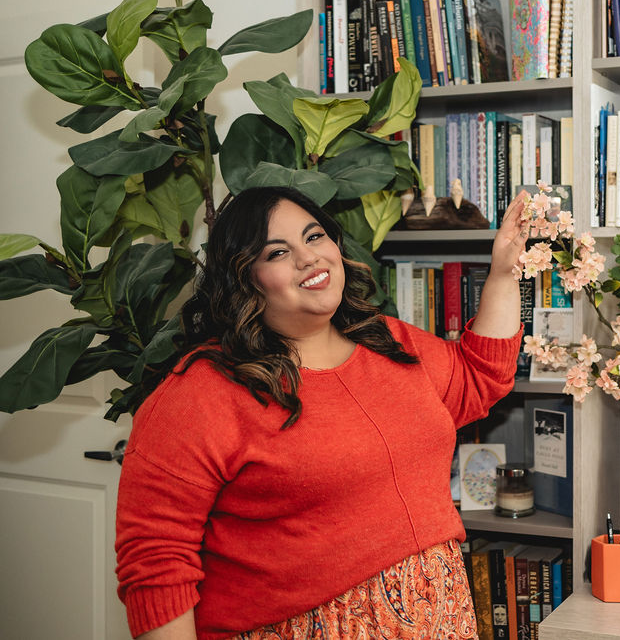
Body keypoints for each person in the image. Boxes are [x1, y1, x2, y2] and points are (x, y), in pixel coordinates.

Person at [115, 185, 528, 639]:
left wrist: (504, 273)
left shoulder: (387, 341)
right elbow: (156, 563)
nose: (308, 258)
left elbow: (480, 378)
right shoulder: (201, 393)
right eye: (277, 252)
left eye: (314, 237)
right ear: (243, 277)